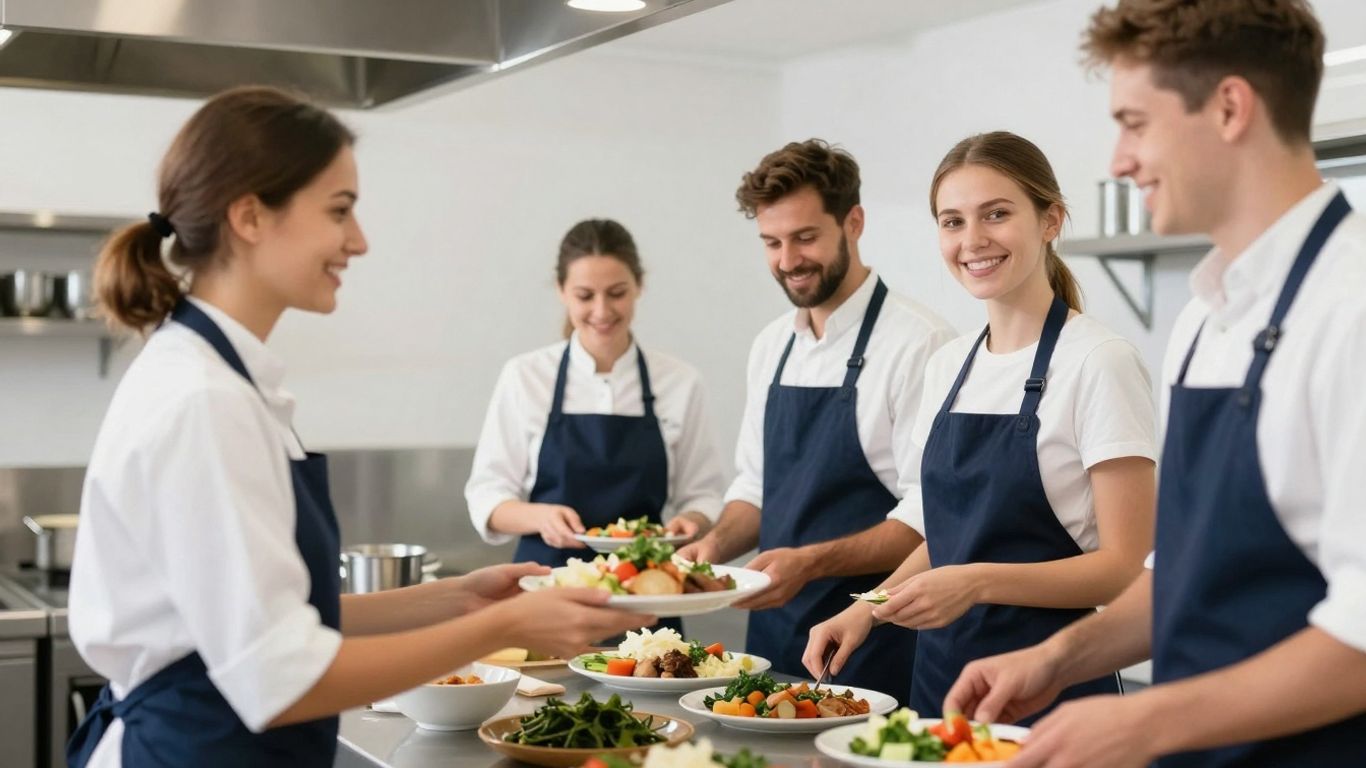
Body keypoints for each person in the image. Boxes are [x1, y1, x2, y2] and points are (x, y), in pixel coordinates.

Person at [66, 86, 651, 768]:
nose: (359, 240)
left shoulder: (230, 382)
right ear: (250, 216)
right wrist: (503, 626)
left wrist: (457, 600)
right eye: (339, 210)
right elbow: (280, 678)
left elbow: (279, 618)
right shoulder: (204, 401)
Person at [943, 2, 1366, 766]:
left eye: (1135, 123)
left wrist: (1144, 721)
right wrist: (1058, 659)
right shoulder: (1208, 317)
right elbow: (1178, 572)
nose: (1121, 159)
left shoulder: (1352, 307)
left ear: (1230, 107)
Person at [802, 131, 1157, 723]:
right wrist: (869, 607)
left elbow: (1124, 567)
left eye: (996, 214)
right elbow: (950, 535)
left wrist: (975, 583)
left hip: (1053, 689)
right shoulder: (948, 365)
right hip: (940, 683)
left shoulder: (1099, 362)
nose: (972, 240)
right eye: (953, 221)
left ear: (1050, 221)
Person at [679, 139, 956, 700]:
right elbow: (754, 488)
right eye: (771, 242)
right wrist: (712, 547)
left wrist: (809, 563)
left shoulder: (921, 344)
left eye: (805, 237)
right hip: (773, 639)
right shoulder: (771, 346)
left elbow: (931, 517)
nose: (787, 261)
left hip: (876, 640)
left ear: (854, 222)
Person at [466, 218, 726, 633]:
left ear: (639, 286)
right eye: (585, 295)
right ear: (561, 291)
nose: (602, 311)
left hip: (648, 595)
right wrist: (540, 517)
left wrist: (692, 520)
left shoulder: (680, 382)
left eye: (617, 293)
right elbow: (487, 496)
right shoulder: (525, 376)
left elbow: (704, 493)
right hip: (548, 590)